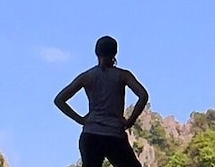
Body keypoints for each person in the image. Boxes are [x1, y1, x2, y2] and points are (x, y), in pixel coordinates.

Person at [54, 35, 150, 167]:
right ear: (115, 52)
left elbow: (59, 100)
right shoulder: (123, 75)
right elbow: (143, 95)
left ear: (97, 52)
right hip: (114, 135)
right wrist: (130, 121)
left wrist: (80, 120)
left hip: (91, 134)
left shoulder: (87, 76)